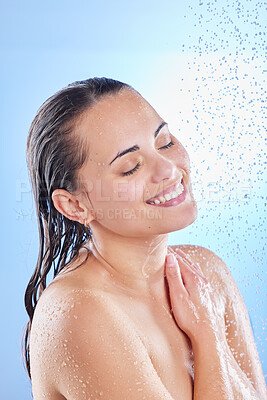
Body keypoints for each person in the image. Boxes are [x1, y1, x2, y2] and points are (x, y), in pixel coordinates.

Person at [23, 77, 266, 400]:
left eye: (164, 142)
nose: (167, 169)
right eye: (130, 167)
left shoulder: (205, 272)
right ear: (75, 205)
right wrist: (208, 339)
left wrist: (208, 333)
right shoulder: (78, 313)